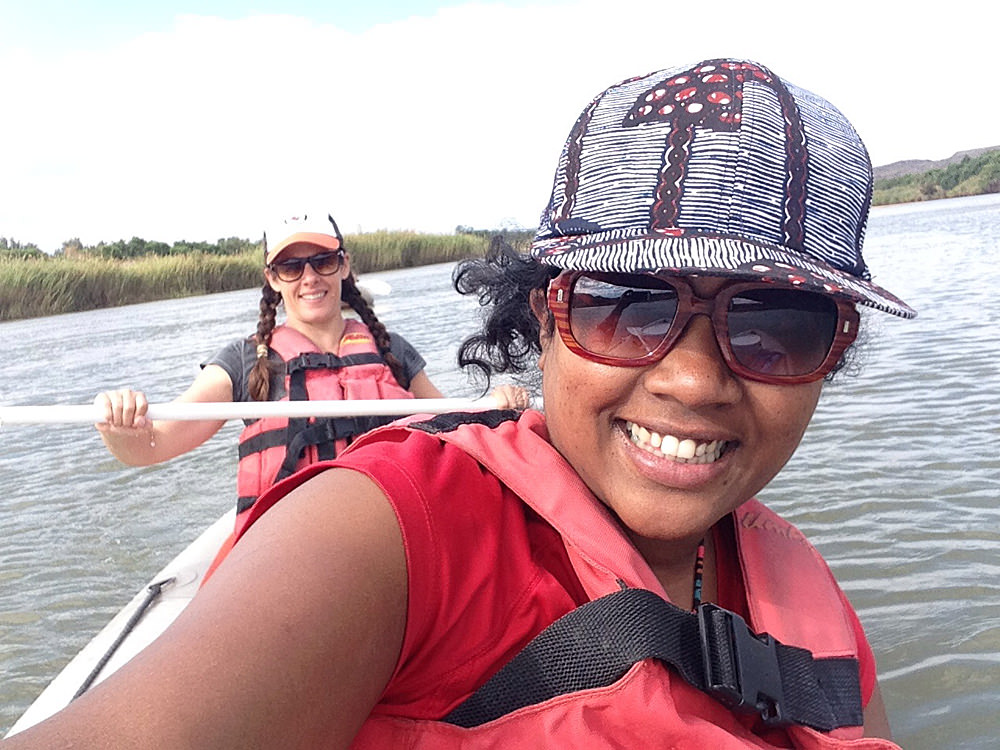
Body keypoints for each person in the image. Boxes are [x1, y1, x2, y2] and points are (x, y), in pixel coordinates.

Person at [6, 58, 913, 748]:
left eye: (777, 325)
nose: (694, 380)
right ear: (543, 315)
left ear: (833, 353)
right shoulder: (379, 532)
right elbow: (168, 440)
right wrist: (132, 436)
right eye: (622, 305)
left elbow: (441, 408)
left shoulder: (813, 599)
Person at [93, 211, 528, 517]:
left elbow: (454, 422)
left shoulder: (390, 349)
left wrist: (495, 404)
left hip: (395, 528)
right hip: (291, 544)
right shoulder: (245, 361)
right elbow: (153, 445)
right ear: (272, 277)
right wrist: (121, 428)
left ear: (343, 266)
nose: (309, 278)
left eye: (322, 261)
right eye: (290, 266)